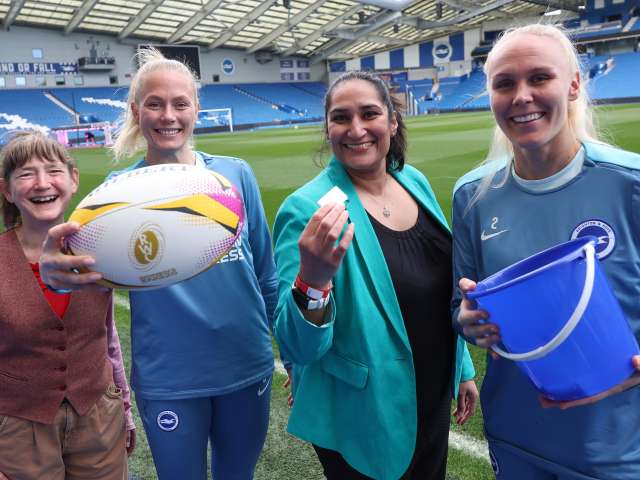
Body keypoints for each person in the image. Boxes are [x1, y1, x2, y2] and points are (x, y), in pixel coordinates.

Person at [39, 49, 279, 480]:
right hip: (170, 377)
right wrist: (57, 280)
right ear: (136, 111)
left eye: (180, 103)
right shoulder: (115, 194)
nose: (168, 115)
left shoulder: (235, 176)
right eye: (155, 103)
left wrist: (295, 360)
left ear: (196, 109)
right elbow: (85, 280)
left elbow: (267, 275)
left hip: (246, 366)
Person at [452, 24, 640, 480]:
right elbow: (458, 306)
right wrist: (468, 322)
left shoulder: (629, 184)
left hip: (616, 446)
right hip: (517, 436)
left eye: (539, 78)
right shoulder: (472, 196)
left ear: (574, 84)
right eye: (505, 83)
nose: (521, 96)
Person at [272, 71, 478, 480]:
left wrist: (464, 366)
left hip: (431, 389)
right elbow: (298, 346)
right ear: (328, 128)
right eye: (341, 117)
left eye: (369, 114)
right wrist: (312, 281)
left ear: (392, 121)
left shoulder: (412, 180)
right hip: (365, 407)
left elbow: (435, 285)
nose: (357, 129)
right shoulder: (307, 208)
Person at [0, 131, 135, 480]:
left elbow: (108, 341)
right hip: (19, 424)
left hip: (98, 415)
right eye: (26, 174)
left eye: (53, 170)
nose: (42, 183)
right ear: (7, 190)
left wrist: (124, 407)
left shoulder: (103, 248)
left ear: (73, 179)